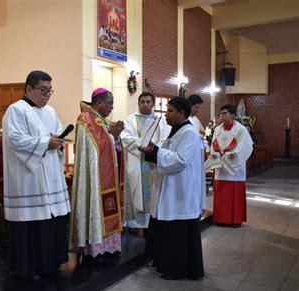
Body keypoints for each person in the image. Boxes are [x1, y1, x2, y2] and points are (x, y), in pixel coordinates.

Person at [2, 70, 70, 279]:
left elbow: (57, 134)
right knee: (30, 222)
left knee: (50, 221)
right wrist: (44, 143)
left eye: (50, 90)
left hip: (50, 173)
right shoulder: (15, 110)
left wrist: (57, 141)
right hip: (27, 177)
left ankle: (50, 263)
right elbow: (14, 140)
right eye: (43, 90)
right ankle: (28, 267)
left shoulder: (50, 111)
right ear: (29, 88)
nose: (47, 95)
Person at [141, 96, 205, 280]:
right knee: (167, 228)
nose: (166, 115)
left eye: (170, 111)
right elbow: (163, 151)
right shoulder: (175, 131)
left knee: (177, 231)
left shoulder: (190, 134)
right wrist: (153, 149)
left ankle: (177, 269)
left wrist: (156, 151)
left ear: (181, 113)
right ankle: (164, 263)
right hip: (170, 187)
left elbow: (181, 160)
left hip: (180, 191)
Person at [71, 88, 125, 258]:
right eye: (110, 103)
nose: (112, 107)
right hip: (94, 178)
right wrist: (112, 136)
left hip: (106, 175)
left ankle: (108, 248)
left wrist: (115, 137)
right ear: (99, 102)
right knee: (96, 205)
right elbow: (94, 149)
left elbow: (110, 145)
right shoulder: (85, 119)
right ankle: (94, 250)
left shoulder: (102, 120)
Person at [121, 92, 169, 236]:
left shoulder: (160, 121)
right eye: (142, 101)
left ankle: (152, 227)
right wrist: (141, 143)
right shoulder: (129, 120)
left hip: (153, 162)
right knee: (136, 192)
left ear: (153, 104)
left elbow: (166, 139)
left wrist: (153, 147)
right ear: (138, 103)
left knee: (154, 193)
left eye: (148, 102)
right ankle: (135, 227)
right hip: (137, 161)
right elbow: (125, 137)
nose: (145, 104)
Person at [205, 104, 253, 226]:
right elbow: (213, 146)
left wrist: (227, 156)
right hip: (221, 168)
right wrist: (216, 155)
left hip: (234, 167)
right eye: (221, 114)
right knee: (221, 193)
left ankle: (234, 220)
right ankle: (220, 218)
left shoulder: (241, 130)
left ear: (233, 115)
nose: (222, 116)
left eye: (225, 113)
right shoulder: (217, 129)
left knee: (234, 194)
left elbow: (244, 146)